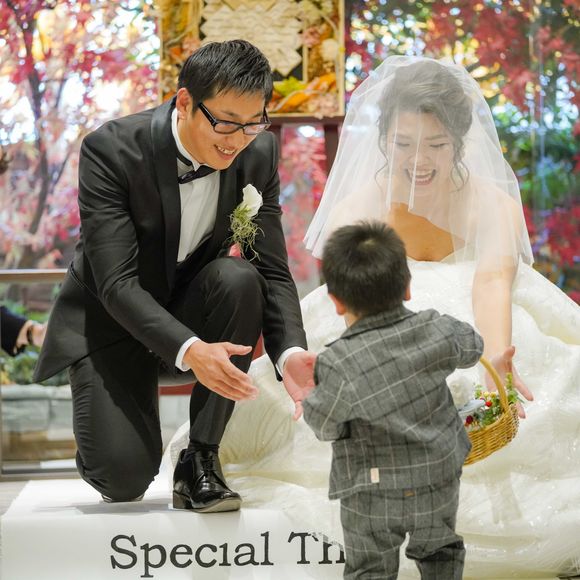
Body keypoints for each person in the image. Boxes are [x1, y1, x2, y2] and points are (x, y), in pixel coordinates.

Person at [167, 55, 580, 577]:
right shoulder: (358, 206)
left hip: (477, 309)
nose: (418, 160)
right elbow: (354, 303)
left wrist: (496, 354)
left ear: (459, 141)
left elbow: (493, 280)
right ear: (383, 138)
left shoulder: (491, 202)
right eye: (403, 143)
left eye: (436, 145)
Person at [33, 39, 315, 512]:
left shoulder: (258, 153)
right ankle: (106, 423)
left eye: (252, 123)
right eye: (225, 122)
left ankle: (200, 458)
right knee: (122, 479)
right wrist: (189, 349)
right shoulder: (112, 149)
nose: (236, 140)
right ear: (184, 102)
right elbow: (115, 283)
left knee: (239, 278)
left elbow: (271, 267)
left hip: (190, 310)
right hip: (112, 323)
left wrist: (289, 353)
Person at [302, 221, 483, 579]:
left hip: (371, 488)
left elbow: (323, 425)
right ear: (408, 286)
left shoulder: (338, 362)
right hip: (438, 476)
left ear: (336, 302)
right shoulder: (437, 329)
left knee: (369, 567)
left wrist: (315, 393)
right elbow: (474, 346)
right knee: (441, 552)